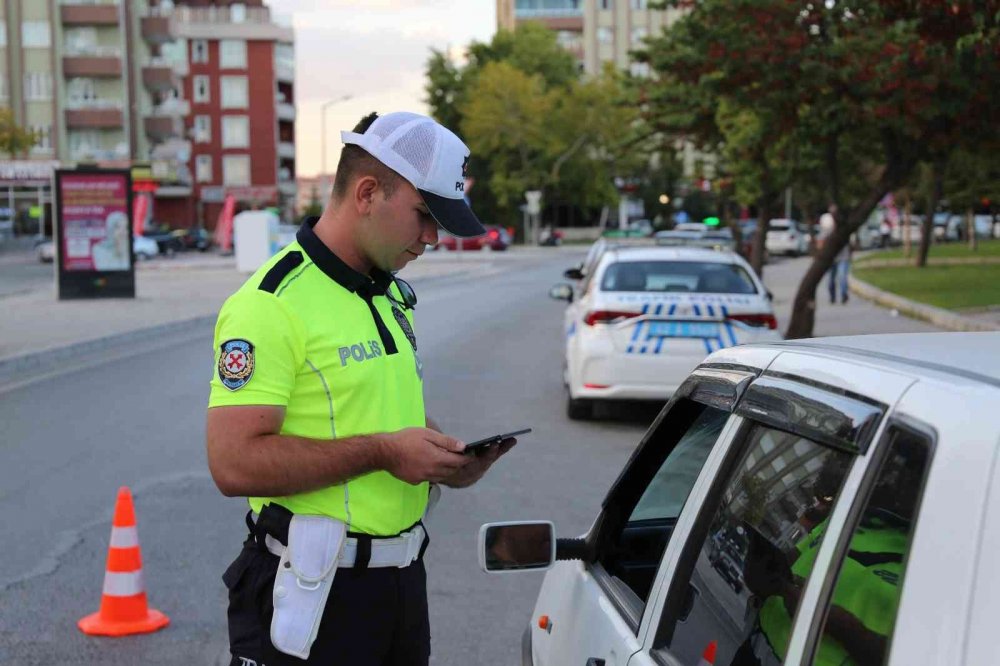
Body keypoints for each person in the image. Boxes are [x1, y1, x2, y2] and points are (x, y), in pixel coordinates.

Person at [206, 111, 517, 666]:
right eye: (424, 216)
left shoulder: (389, 294)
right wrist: (384, 452)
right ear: (368, 193)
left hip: (399, 585)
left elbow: (378, 413)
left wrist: (443, 456)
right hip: (312, 592)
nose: (432, 238)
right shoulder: (271, 303)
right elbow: (233, 464)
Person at [818, 204, 851, 304]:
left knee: (842, 277)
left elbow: (849, 242)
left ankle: (844, 295)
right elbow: (820, 242)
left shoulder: (843, 227)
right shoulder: (827, 228)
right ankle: (832, 296)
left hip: (843, 257)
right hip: (831, 258)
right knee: (831, 280)